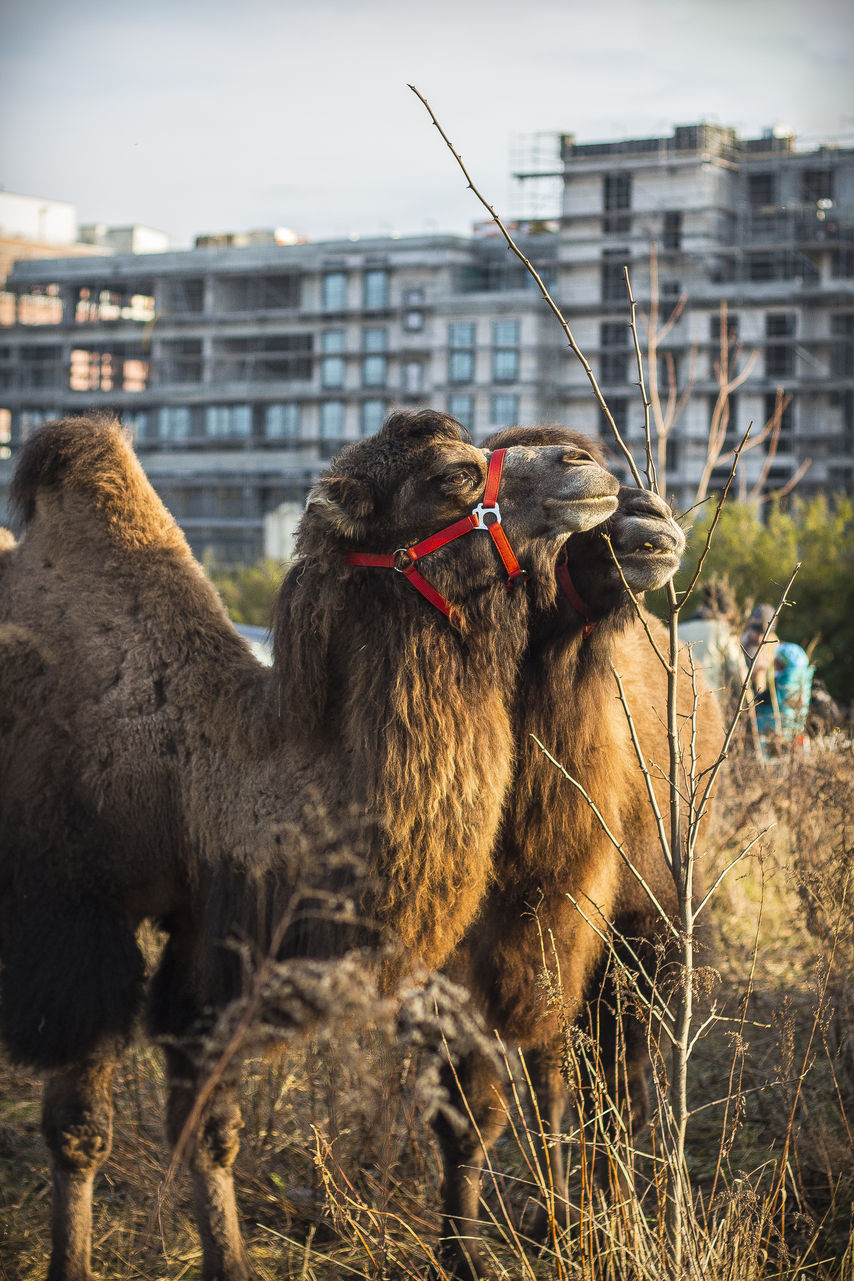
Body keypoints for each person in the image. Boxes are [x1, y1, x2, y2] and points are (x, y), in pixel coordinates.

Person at [679, 579, 747, 707]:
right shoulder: (722, 631)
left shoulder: (676, 630)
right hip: (709, 703)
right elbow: (739, 673)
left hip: (677, 702)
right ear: (724, 614)